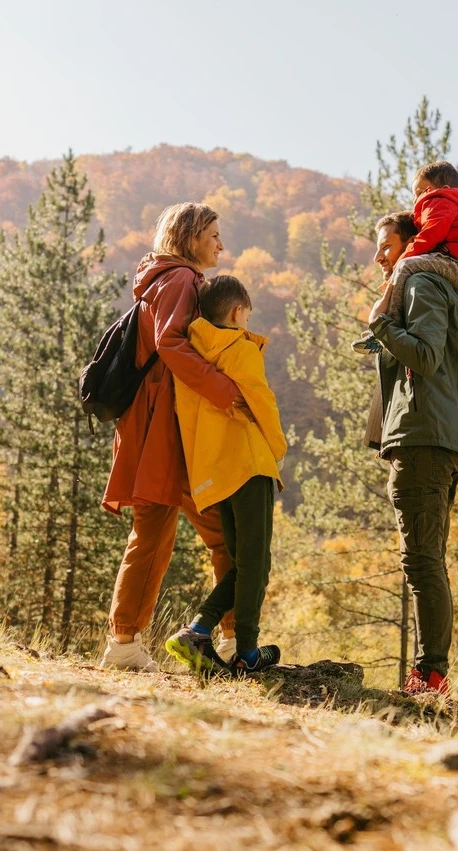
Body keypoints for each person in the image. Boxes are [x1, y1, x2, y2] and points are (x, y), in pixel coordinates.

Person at [100, 203, 242, 671]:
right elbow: (171, 343)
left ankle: (125, 644)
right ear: (191, 237)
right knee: (225, 533)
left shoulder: (162, 278)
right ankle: (232, 640)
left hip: (154, 426)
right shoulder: (181, 279)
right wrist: (226, 391)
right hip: (167, 429)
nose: (221, 245)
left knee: (156, 534)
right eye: (214, 235)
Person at [365, 209, 458, 697]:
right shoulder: (442, 287)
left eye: (386, 246)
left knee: (422, 561)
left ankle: (430, 677)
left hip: (425, 438)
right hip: (439, 437)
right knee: (427, 559)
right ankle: (430, 675)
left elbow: (426, 357)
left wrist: (381, 326)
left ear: (411, 245)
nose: (378, 257)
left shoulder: (421, 284)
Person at [165, 274, 286, 677]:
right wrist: (278, 449)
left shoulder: (192, 354)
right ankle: (247, 652)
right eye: (247, 315)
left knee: (242, 562)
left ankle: (198, 629)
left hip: (216, 471)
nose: (248, 322)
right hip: (251, 463)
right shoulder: (240, 348)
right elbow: (263, 403)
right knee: (257, 564)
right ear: (237, 313)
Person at [353, 161, 458, 353]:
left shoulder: (440, 201)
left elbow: (429, 236)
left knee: (406, 265)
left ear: (444, 189)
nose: (415, 201)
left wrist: (402, 260)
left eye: (420, 192)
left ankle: (385, 326)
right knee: (408, 265)